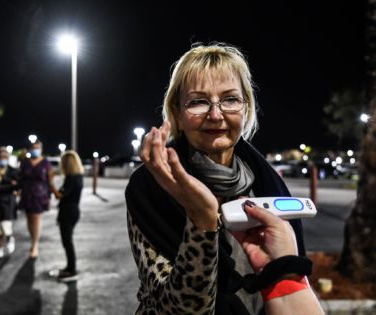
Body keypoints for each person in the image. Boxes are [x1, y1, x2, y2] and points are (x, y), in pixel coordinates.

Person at [125, 43, 321, 314]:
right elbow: (177, 309)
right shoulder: (149, 188)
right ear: (178, 114)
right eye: (198, 101)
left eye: (230, 99)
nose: (215, 115)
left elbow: (290, 283)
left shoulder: (268, 184)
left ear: (246, 108)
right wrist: (201, 222)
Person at [18, 140, 56, 258]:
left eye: (37, 147)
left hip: (40, 195)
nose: (35, 149)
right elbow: (20, 178)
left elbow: (50, 181)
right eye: (33, 147)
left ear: (41, 149)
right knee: (29, 218)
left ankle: (35, 244)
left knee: (36, 217)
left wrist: (50, 196)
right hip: (26, 193)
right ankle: (32, 239)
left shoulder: (46, 163)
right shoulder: (25, 162)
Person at [53, 150, 84, 282]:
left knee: (67, 242)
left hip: (68, 212)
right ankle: (69, 267)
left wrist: (50, 184)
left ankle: (71, 270)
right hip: (73, 211)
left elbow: (59, 195)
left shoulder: (72, 179)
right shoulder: (78, 177)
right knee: (67, 241)